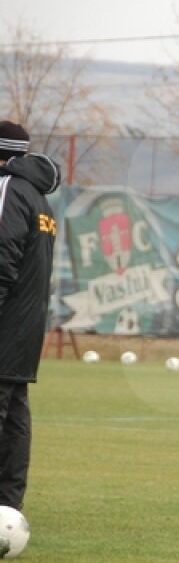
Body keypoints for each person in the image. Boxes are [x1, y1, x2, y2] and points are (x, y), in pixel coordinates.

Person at [0, 121, 60, 511]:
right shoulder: (39, 197)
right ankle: (8, 508)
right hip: (26, 326)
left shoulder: (8, 189)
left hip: (6, 323)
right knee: (15, 419)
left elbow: (3, 256)